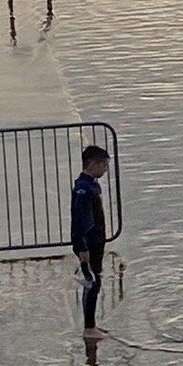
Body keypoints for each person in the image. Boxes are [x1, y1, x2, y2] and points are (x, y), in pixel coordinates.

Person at [70, 144, 110, 341]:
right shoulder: (83, 190)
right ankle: (88, 328)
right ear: (92, 163)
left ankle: (92, 324)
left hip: (96, 241)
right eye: (103, 164)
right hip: (89, 243)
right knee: (92, 282)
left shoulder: (92, 185)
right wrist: (82, 247)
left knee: (95, 280)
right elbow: (80, 221)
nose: (105, 169)